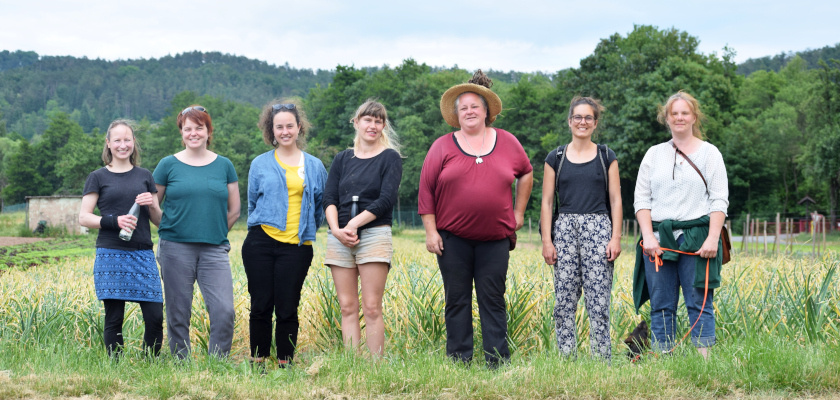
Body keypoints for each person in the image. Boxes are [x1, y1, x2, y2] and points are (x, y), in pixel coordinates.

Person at [419, 70, 533, 367]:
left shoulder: (508, 142)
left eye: (475, 107)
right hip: (452, 239)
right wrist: (431, 232)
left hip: (495, 239)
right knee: (457, 299)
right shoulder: (441, 146)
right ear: (457, 115)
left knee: (492, 299)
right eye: (463, 108)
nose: (469, 111)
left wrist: (519, 212)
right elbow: (426, 190)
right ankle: (460, 360)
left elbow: (526, 173)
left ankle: (497, 361)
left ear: (486, 112)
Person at [633, 91, 728, 359]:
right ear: (667, 118)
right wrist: (648, 236)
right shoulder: (654, 154)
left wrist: (712, 238)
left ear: (694, 116)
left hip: (697, 238)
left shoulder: (710, 153)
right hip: (658, 239)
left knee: (699, 302)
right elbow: (642, 199)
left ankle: (703, 363)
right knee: (661, 304)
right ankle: (664, 361)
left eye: (684, 113)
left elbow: (719, 199)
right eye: (674, 113)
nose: (679, 118)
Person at [242, 100, 327, 368]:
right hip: (260, 243)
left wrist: (305, 229)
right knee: (261, 304)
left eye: (290, 126)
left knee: (288, 306)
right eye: (279, 127)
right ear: (272, 130)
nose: (285, 131)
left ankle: (285, 363)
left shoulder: (315, 166)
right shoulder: (260, 164)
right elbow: (252, 203)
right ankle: (258, 361)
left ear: (299, 127)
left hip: (297, 247)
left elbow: (320, 207)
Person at [153, 105, 240, 359]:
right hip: (174, 248)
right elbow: (153, 207)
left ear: (208, 131)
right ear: (181, 133)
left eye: (199, 128)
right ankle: (181, 362)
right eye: (187, 129)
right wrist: (170, 229)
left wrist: (213, 231)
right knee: (178, 312)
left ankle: (218, 362)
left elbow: (234, 210)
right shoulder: (167, 165)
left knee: (224, 310)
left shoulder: (224, 165)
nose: (193, 133)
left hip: (215, 249)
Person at [540, 97, 622, 360]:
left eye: (588, 118)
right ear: (569, 121)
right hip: (564, 230)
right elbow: (547, 202)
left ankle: (601, 359)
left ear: (595, 123)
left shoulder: (606, 156)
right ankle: (566, 358)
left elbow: (616, 200)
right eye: (578, 117)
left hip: (599, 229)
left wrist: (616, 237)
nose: (582, 122)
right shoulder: (556, 158)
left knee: (599, 302)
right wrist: (547, 241)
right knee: (564, 300)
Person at [323, 99, 402, 356]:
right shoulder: (342, 159)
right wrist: (337, 230)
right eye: (368, 120)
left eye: (378, 121)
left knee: (371, 307)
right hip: (339, 238)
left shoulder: (390, 158)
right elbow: (329, 198)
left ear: (383, 126)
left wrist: (353, 224)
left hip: (374, 235)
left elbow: (386, 199)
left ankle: (374, 367)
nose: (373, 125)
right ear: (356, 122)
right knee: (347, 307)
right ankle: (352, 364)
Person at [79, 119, 163, 357]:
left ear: (134, 142)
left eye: (127, 140)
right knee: (114, 317)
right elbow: (84, 217)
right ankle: (115, 365)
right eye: (117, 140)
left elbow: (159, 220)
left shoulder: (145, 175)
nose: (122, 145)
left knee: (155, 316)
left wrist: (152, 205)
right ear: (108, 143)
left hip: (142, 253)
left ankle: (151, 362)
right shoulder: (97, 177)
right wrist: (114, 221)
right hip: (110, 253)